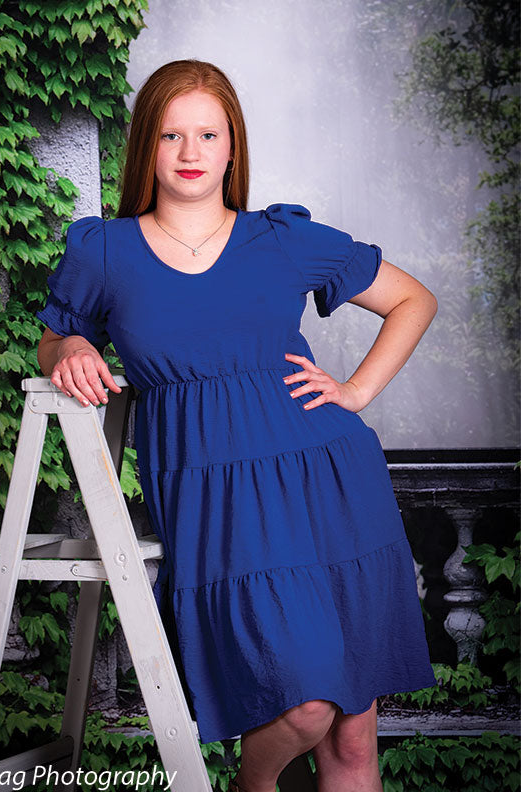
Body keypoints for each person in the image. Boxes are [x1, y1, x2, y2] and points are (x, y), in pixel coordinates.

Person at [36, 59, 438, 792]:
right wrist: (72, 346)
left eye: (208, 134)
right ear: (145, 149)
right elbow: (56, 336)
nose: (190, 153)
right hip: (218, 501)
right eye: (170, 135)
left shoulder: (280, 239)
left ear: (231, 147)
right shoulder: (104, 250)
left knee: (353, 736)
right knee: (306, 706)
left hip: (331, 483)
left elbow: (412, 299)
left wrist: (354, 391)